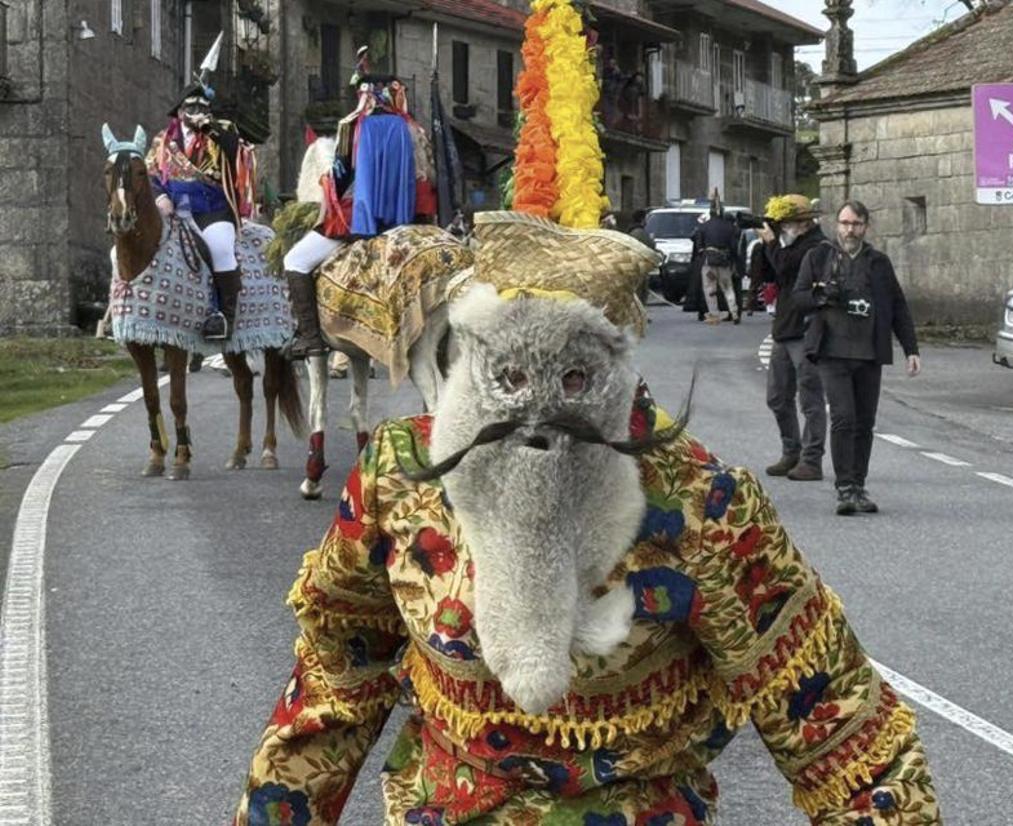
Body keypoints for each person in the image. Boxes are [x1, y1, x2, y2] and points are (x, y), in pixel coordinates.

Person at [233, 210, 940, 825]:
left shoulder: (703, 504)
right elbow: (333, 685)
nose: (539, 415)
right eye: (508, 376)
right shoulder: (402, 477)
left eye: (572, 381)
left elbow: (844, 737)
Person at [281, 48, 437, 360]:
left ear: (364, 96)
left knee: (294, 261)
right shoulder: (413, 129)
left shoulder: (353, 126)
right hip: (411, 219)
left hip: (360, 221)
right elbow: (430, 176)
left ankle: (311, 338)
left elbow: (340, 177)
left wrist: (326, 183)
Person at [794, 200, 920, 515]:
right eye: (845, 223)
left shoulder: (878, 263)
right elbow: (796, 298)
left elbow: (898, 306)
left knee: (865, 423)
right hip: (831, 352)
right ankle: (845, 488)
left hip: (869, 353)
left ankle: (859, 486)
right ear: (837, 224)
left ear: (865, 227)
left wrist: (911, 349)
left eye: (856, 224)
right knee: (844, 418)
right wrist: (821, 296)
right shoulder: (818, 256)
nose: (850, 230)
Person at [148, 61, 257, 341]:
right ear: (180, 112)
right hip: (173, 210)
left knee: (221, 248)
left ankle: (224, 317)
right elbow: (150, 173)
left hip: (212, 210)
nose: (198, 113)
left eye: (202, 108)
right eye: (192, 108)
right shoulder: (163, 140)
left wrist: (210, 129)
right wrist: (160, 196)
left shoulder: (222, 132)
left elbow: (235, 152)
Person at [759, 194, 828, 481]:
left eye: (785, 223)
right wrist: (765, 245)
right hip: (784, 330)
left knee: (810, 399)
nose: (783, 228)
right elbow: (770, 273)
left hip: (806, 332)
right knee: (777, 396)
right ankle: (791, 450)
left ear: (803, 223)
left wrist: (773, 243)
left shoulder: (817, 247)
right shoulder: (791, 245)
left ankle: (811, 459)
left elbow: (787, 268)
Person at [690, 192, 740, 324]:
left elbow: (699, 246)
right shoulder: (730, 227)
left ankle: (714, 314)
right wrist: (733, 261)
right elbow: (734, 247)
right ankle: (734, 312)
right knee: (728, 288)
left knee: (710, 289)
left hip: (709, 262)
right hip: (724, 261)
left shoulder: (703, 227)